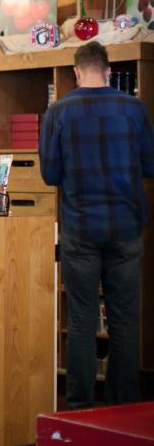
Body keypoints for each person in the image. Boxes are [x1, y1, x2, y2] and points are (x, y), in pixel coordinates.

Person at [40, 41, 154, 409]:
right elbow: (151, 167)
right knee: (124, 319)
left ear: (75, 72)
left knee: (82, 319)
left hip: (80, 228)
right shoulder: (134, 109)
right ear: (107, 70)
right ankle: (124, 408)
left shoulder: (58, 112)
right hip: (126, 227)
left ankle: (79, 409)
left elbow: (50, 173)